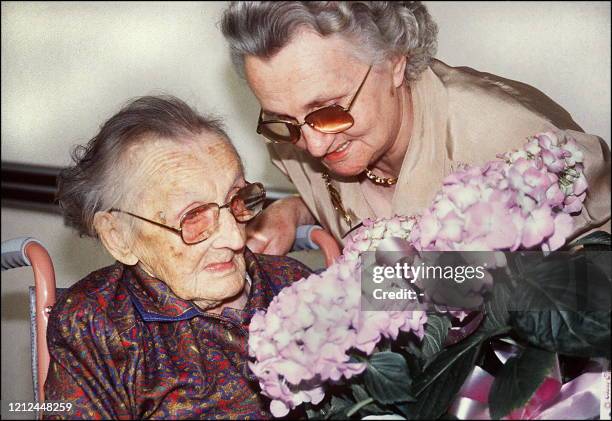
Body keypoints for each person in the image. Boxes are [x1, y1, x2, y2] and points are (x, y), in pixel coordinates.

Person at [220, 1, 611, 254]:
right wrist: (295, 210)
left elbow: (592, 286)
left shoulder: (510, 137)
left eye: (327, 111)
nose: (314, 145)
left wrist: (372, 287)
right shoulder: (296, 142)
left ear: (395, 62)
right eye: (284, 121)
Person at [45, 95, 312, 419]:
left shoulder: (294, 285)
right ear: (118, 237)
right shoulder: (95, 322)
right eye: (193, 217)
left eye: (239, 199)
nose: (235, 237)